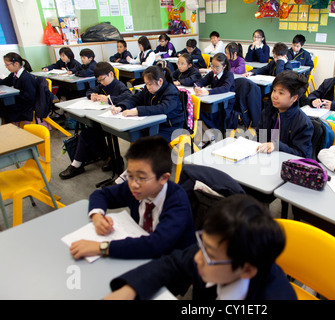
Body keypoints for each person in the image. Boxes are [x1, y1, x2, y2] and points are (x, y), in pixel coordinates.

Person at [104, 194, 296, 300]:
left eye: (208, 253)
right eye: (202, 245)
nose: (197, 258)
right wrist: (129, 289)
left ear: (246, 269)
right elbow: (172, 263)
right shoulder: (214, 254)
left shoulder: (276, 295)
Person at [69, 136, 196, 260]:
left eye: (141, 178)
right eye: (129, 176)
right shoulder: (136, 188)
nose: (133, 184)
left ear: (163, 178)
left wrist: (101, 248)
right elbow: (101, 195)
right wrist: (97, 216)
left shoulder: (177, 202)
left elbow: (156, 245)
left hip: (173, 264)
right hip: (140, 254)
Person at [59, 62, 133, 180]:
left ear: (111, 74)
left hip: (116, 122)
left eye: (103, 79)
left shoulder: (119, 85)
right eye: (99, 81)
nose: (101, 83)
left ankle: (82, 163)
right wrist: (91, 95)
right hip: (102, 119)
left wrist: (109, 99)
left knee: (88, 134)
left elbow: (129, 96)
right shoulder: (103, 86)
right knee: (88, 133)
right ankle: (109, 158)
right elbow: (91, 90)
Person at [112, 65, 184, 142]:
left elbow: (162, 108)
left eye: (149, 84)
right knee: (134, 133)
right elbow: (136, 98)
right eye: (146, 84)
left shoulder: (171, 91)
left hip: (170, 127)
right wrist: (121, 107)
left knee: (150, 142)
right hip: (153, 124)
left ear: (160, 81)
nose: (147, 87)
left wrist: (137, 111)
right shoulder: (149, 89)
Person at [256, 70, 313, 158]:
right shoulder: (268, 111)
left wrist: (277, 145)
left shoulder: (303, 123)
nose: (274, 96)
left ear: (294, 98)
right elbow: (261, 136)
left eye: (281, 93)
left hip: (287, 165)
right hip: (266, 159)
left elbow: (301, 155)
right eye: (274, 90)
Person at [194, 53, 236, 131]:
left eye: (217, 67)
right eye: (212, 66)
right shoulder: (212, 74)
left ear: (224, 66)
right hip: (214, 100)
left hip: (226, 103)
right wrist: (197, 87)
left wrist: (208, 92)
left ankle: (214, 133)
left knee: (209, 113)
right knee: (199, 110)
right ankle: (209, 134)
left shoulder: (229, 74)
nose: (214, 69)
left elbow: (225, 88)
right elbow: (201, 81)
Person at [0, 52, 36, 124]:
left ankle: (10, 128)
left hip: (26, 107)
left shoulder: (26, 78)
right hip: (19, 102)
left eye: (7, 65)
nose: (6, 67)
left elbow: (29, 98)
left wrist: (13, 96)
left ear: (16, 63)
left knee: (4, 108)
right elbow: (4, 82)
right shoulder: (14, 74)